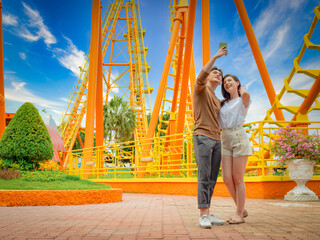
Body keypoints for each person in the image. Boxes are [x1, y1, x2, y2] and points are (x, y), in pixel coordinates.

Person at [192, 47, 227, 229]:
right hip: (202, 137)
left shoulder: (216, 98)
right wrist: (215, 57)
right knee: (204, 176)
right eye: (215, 72)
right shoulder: (200, 89)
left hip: (216, 140)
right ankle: (202, 214)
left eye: (220, 74)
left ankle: (208, 211)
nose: (218, 74)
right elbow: (201, 75)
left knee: (213, 177)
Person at [218, 74, 252, 224]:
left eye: (230, 80)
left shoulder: (241, 101)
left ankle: (239, 214)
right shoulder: (222, 103)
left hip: (238, 137)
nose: (226, 83)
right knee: (226, 178)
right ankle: (241, 208)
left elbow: (246, 95)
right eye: (224, 82)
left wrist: (241, 88)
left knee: (238, 178)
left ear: (237, 83)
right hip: (225, 138)